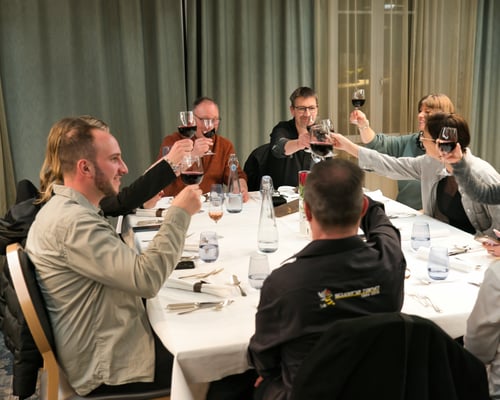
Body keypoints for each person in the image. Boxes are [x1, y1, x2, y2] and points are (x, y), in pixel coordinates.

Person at [25, 120, 202, 396]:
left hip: (103, 342)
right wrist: (179, 214)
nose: (124, 168)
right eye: (114, 159)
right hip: (110, 367)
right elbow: (146, 279)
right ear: (85, 168)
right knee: (227, 360)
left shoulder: (68, 210)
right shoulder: (73, 223)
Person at [247, 158, 406, 400]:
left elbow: (263, 359)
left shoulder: (283, 283)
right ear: (362, 207)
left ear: (307, 211)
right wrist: (358, 200)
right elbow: (385, 229)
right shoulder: (389, 261)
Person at [332, 112, 500, 237]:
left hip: (479, 254)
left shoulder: (483, 175)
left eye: (423, 137)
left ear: (440, 143)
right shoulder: (432, 163)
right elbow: (392, 165)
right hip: (446, 242)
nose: (421, 141)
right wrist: (347, 146)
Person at [350, 93, 455, 209]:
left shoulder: (451, 153)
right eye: (420, 111)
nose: (420, 115)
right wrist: (363, 125)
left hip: (430, 216)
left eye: (427, 112)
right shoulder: (413, 141)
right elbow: (377, 144)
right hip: (404, 210)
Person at [157, 97, 249, 200]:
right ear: (192, 119)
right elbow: (161, 177)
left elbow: (236, 175)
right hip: (175, 203)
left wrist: (240, 188)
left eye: (214, 120)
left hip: (210, 205)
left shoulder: (225, 145)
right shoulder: (172, 142)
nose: (209, 126)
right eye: (204, 120)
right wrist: (193, 155)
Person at [268, 86, 316, 187]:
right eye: (302, 109)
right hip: (285, 195)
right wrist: (299, 143)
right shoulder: (282, 128)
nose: (307, 114)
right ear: (292, 110)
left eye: (311, 108)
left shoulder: (321, 132)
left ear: (317, 109)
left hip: (315, 193)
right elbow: (278, 147)